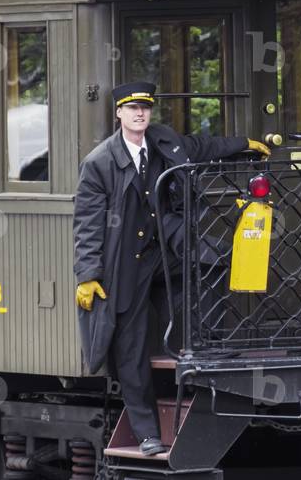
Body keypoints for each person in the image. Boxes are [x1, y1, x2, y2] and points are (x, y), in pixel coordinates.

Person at [72, 82, 270, 456]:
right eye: (132, 109)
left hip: (165, 245)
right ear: (119, 114)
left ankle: (209, 342)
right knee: (129, 349)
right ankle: (147, 432)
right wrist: (87, 275)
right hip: (124, 260)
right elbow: (86, 222)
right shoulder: (99, 162)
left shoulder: (164, 141)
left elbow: (203, 147)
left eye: (145, 108)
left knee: (211, 260)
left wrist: (244, 143)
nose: (139, 114)